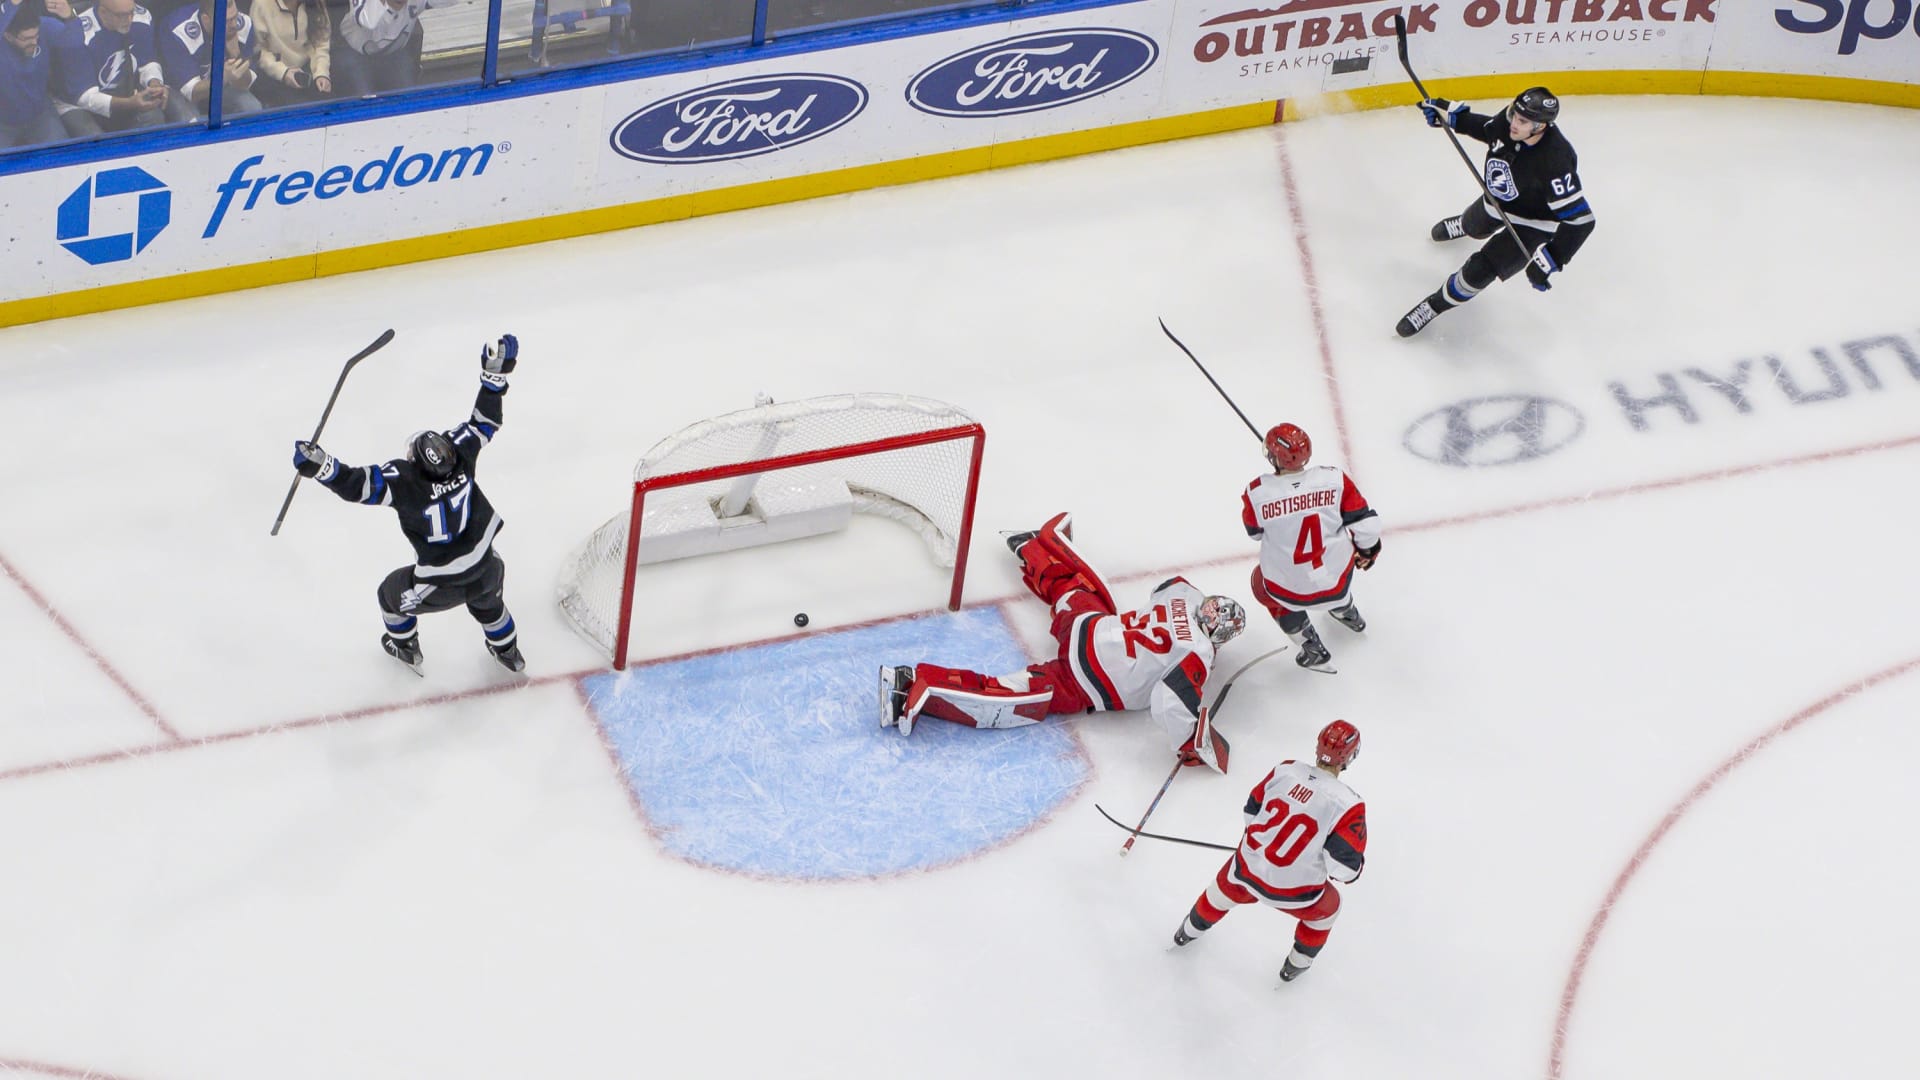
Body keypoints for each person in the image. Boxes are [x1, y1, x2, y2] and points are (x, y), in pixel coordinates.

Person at [879, 512, 1246, 772]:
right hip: (1090, 682)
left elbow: (1168, 587)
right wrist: (1190, 741)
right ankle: (914, 687)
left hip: (1088, 630)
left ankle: (1036, 548)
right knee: (1017, 694)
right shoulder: (1197, 653)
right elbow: (1169, 701)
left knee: (1077, 593)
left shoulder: (1183, 595)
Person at [291, 333, 525, 676]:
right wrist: (495, 378)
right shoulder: (461, 453)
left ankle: (404, 646)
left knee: (390, 595)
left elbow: (357, 485)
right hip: (488, 565)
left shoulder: (405, 481)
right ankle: (508, 651)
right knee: (489, 604)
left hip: (441, 583)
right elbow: (484, 423)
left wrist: (322, 467)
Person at [1170, 719, 1367, 984]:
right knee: (1329, 910)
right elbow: (1343, 869)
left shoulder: (1286, 769)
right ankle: (1295, 966)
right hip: (1297, 894)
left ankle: (1186, 932)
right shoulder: (1349, 804)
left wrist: (1266, 844)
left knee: (1223, 888)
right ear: (1350, 756)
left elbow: (1250, 813)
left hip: (1246, 870)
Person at [1396, 86, 1597, 338]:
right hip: (1499, 201)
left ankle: (1434, 305)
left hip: (1533, 224)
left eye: (1522, 121)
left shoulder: (1556, 159)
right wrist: (1453, 118)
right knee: (1473, 226)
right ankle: (1465, 225)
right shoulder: (1510, 123)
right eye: (1514, 114)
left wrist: (1551, 259)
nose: (1513, 123)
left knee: (1478, 272)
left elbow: (1582, 221)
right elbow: (1488, 130)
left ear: (1540, 126)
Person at [1242, 423, 1379, 673]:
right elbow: (1366, 526)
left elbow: (1255, 532)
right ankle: (1346, 611)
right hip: (1337, 581)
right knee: (1331, 571)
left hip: (1288, 590)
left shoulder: (1257, 492)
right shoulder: (1334, 479)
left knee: (1260, 583)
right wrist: (1368, 552)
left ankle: (1311, 647)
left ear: (1274, 458)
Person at [48, 0, 170, 136]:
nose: (129, 19)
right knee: (95, 138)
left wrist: (154, 83)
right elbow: (85, 97)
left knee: (154, 117)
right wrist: (130, 103)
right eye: (121, 15)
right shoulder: (78, 34)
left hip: (126, 96)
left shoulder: (142, 18)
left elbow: (147, 61)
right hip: (77, 104)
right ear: (103, 12)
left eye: (131, 12)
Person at [158, 0, 264, 118]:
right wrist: (222, 78)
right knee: (192, 121)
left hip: (220, 86)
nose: (234, 25)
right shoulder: (179, 31)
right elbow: (192, 93)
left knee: (252, 107)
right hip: (180, 90)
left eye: (235, 17)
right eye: (227, 21)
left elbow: (245, 84)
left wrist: (236, 55)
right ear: (206, 20)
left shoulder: (243, 25)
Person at [0, 0, 67, 149]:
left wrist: (70, 17)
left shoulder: (45, 26)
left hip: (39, 114)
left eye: (36, 36)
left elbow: (73, 37)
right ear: (8, 36)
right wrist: (11, 4)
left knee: (60, 153)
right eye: (26, 39)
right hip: (3, 122)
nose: (34, 42)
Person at [332, 0, 432, 96]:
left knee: (408, 98)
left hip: (394, 54)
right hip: (354, 54)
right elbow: (368, 21)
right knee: (365, 100)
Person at [249, 0, 330, 107]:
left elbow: (321, 42)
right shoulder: (261, 4)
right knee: (299, 107)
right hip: (274, 75)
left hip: (308, 70)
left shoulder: (316, 3)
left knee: (329, 104)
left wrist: (321, 73)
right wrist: (283, 72)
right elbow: (259, 50)